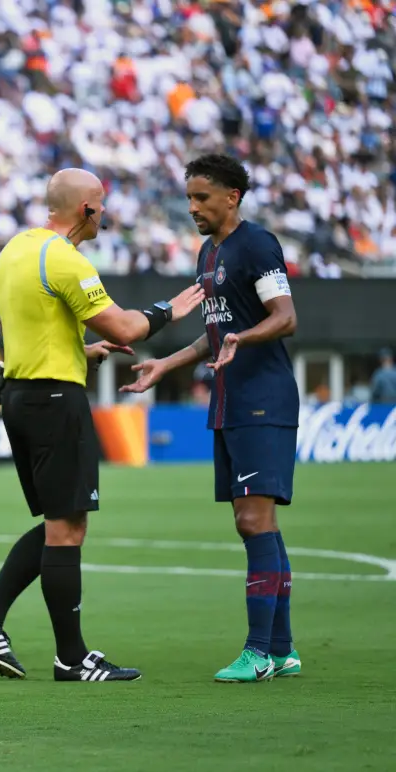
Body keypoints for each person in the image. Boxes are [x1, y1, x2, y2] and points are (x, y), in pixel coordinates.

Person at [0, 168, 204, 683]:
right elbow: (128, 326)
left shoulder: (15, 251)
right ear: (87, 209)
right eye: (103, 206)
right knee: (69, 527)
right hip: (54, 400)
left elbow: (23, 326)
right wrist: (169, 310)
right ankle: (71, 658)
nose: (106, 215)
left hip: (20, 394)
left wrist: (81, 351)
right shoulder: (66, 260)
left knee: (57, 522)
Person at [120, 154, 301, 683]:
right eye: (189, 198)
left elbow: (285, 318)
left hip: (262, 398)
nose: (193, 207)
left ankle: (259, 652)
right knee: (257, 522)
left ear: (232, 196)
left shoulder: (258, 245)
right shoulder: (208, 252)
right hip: (230, 400)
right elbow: (215, 333)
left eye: (202, 197)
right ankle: (282, 650)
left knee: (252, 520)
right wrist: (166, 365)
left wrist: (243, 337)